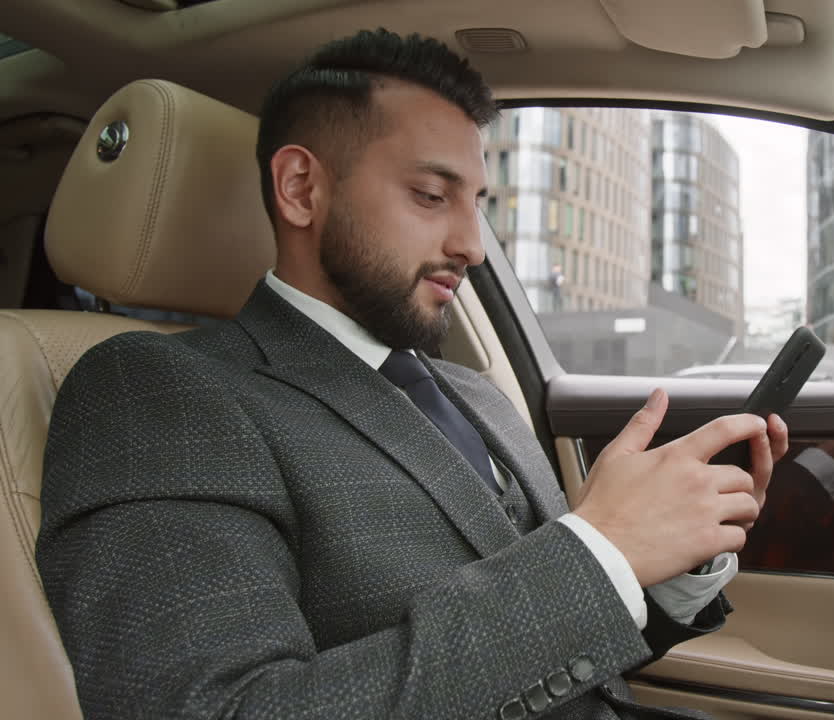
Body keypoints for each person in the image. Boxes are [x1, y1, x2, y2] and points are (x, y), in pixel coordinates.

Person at [36, 29, 788, 719]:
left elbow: (563, 645)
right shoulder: (159, 394)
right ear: (300, 188)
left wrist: (670, 556)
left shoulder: (476, 393)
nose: (473, 245)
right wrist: (600, 550)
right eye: (431, 196)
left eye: (478, 204)